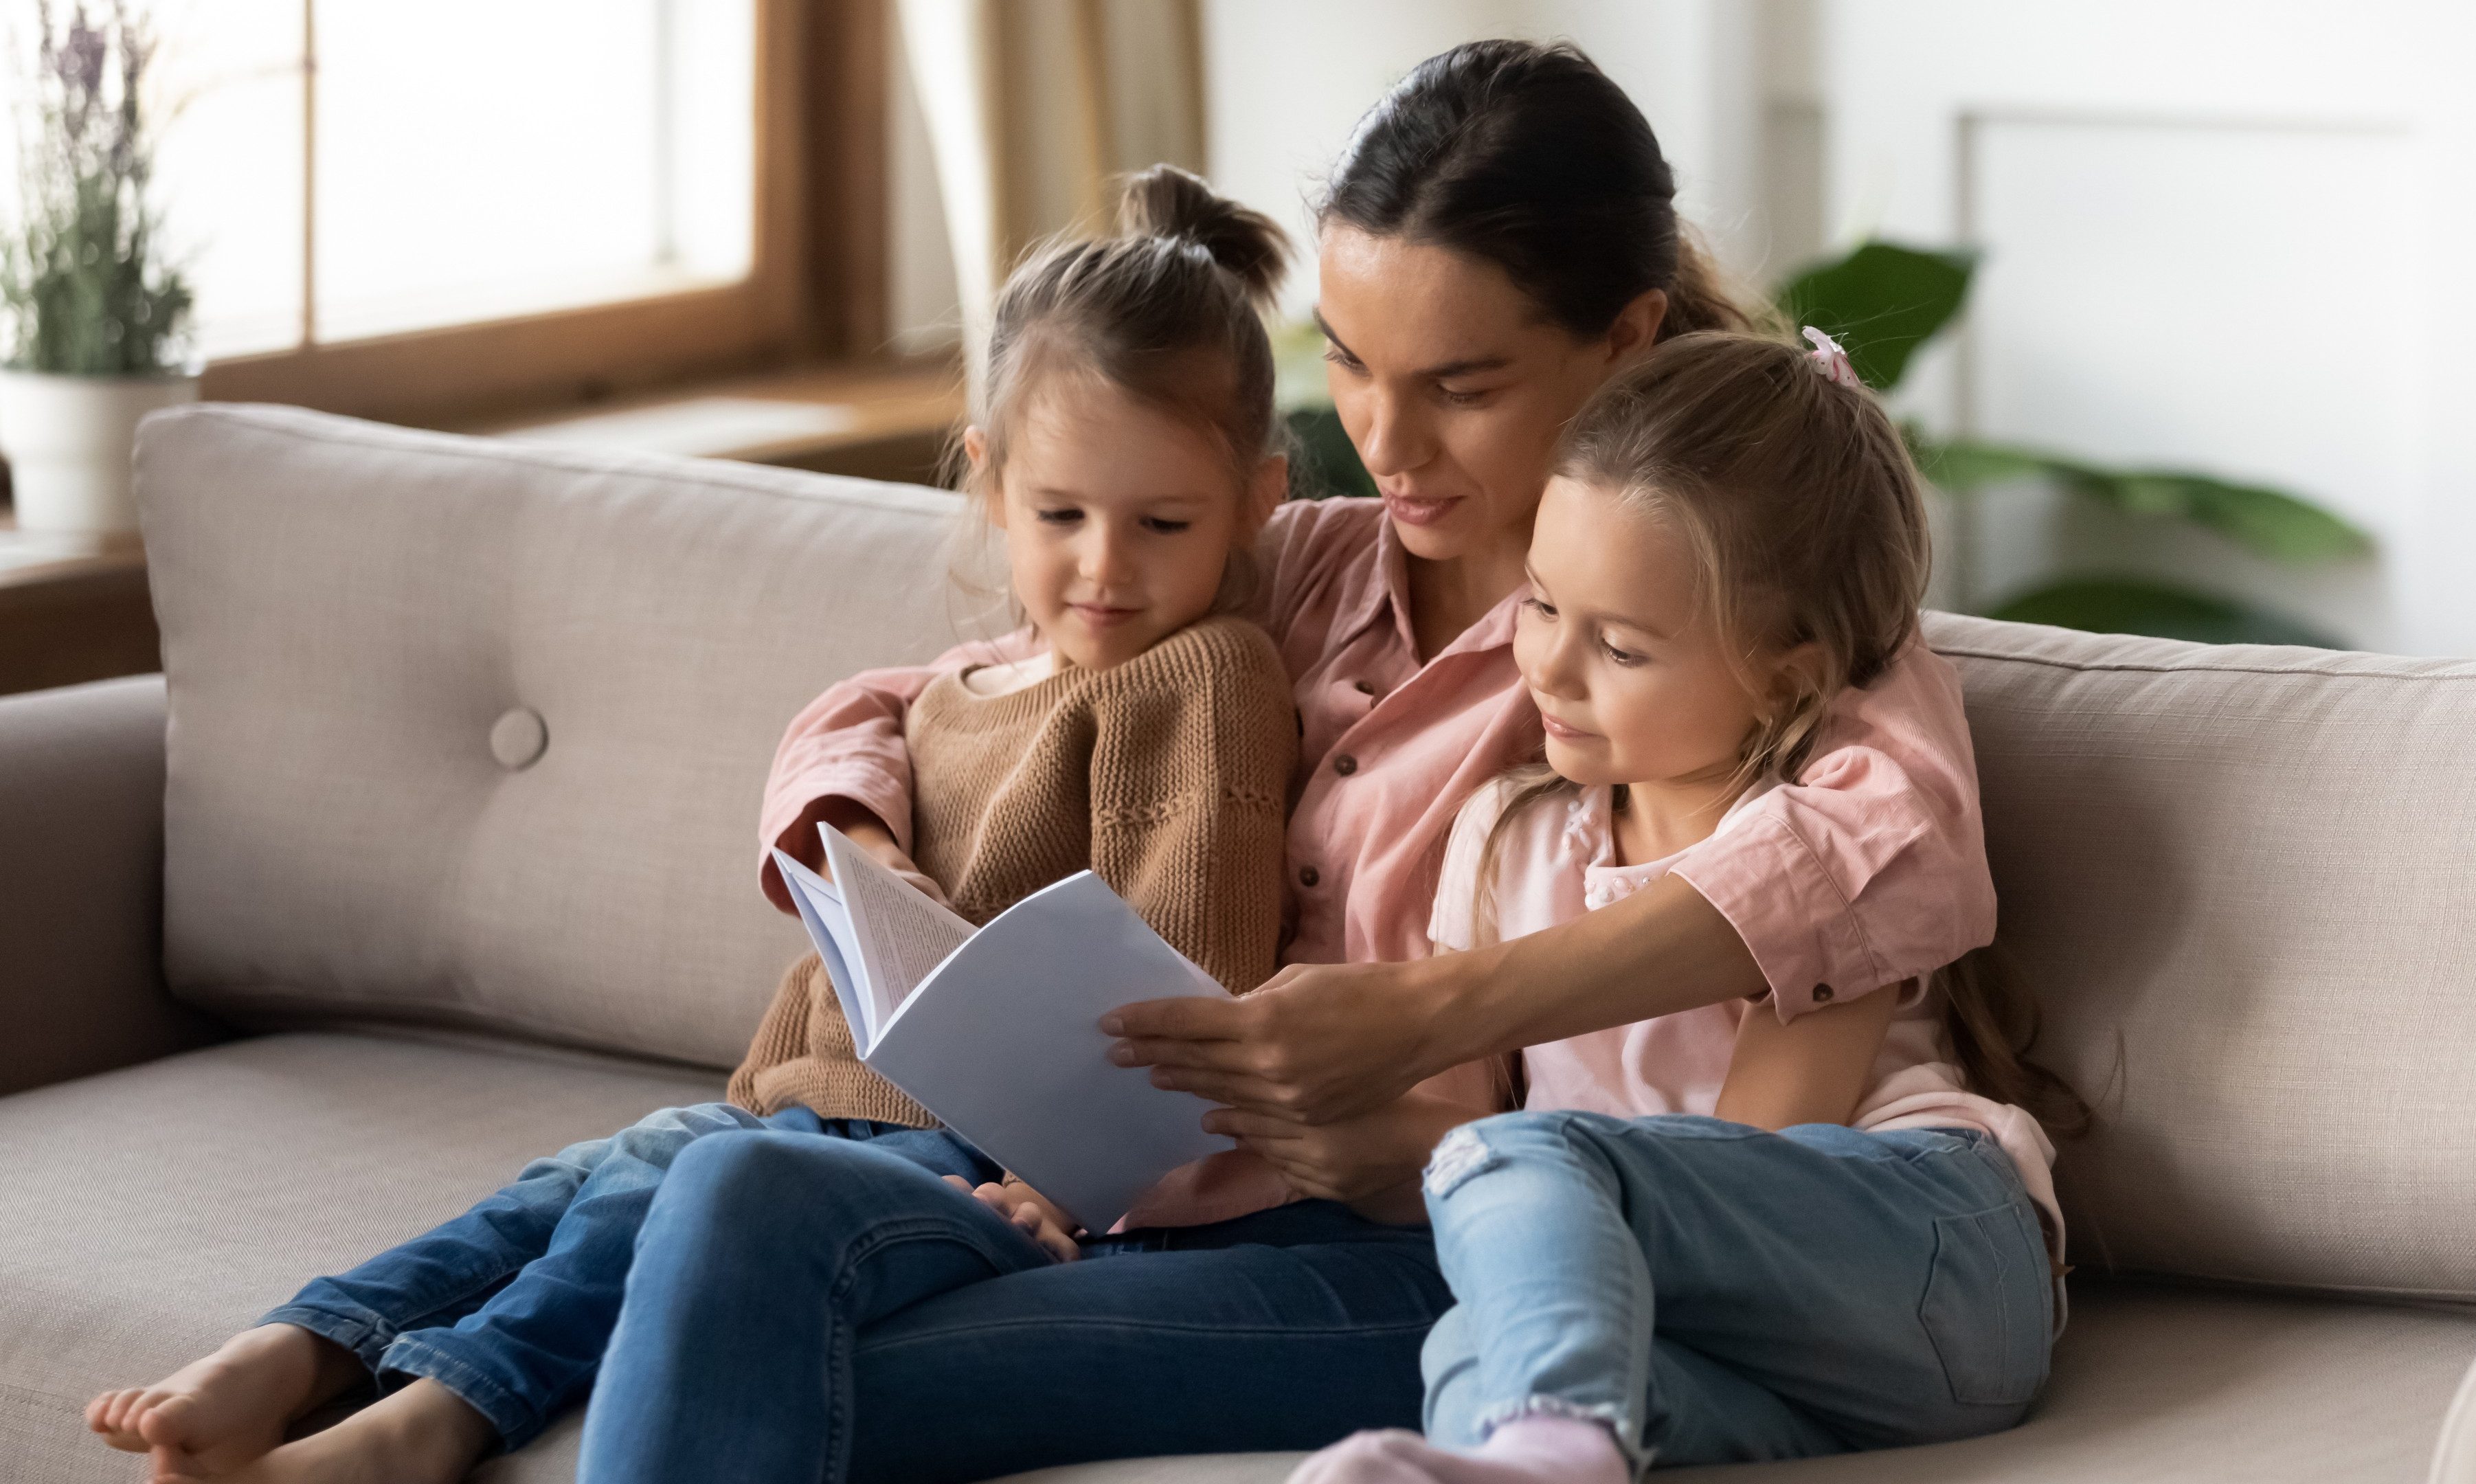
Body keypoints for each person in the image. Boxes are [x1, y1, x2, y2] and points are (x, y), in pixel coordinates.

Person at [576, 38, 2018, 1484]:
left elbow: (1872, 859)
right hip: (1203, 1178)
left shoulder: (1758, 615)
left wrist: (1420, 1016)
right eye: (1346, 361)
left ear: (1625, 339)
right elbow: (924, 692)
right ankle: (430, 1389)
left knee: (790, 1348)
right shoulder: (1312, 569)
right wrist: (871, 849)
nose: (1381, 441)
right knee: (715, 1181)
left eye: (1460, 383)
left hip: (1430, 1232)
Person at [81, 164, 1305, 1484]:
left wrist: (1063, 1186)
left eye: (1161, 523)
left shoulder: (1203, 674)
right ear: (991, 482)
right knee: (573, 1183)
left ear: (1256, 498)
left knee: (650, 1200)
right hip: (813, 1113)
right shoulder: (958, 687)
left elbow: (1183, 988)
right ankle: (295, 1349)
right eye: (1060, 516)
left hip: (961, 1164)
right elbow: (851, 735)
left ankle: (422, 1426)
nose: (1105, 566)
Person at [1289, 331, 2080, 1484]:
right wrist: (1343, 1144)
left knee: (1519, 1165)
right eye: (1541, 606)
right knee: (1472, 1344)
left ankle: (1554, 1434)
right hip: (1772, 1356)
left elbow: (1759, 1157)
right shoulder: (1505, 841)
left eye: (1618, 645)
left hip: (1928, 1264)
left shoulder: (1819, 848)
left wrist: (1493, 1167)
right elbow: (1459, 1149)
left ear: (1787, 674)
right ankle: (1549, 1455)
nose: (1548, 669)